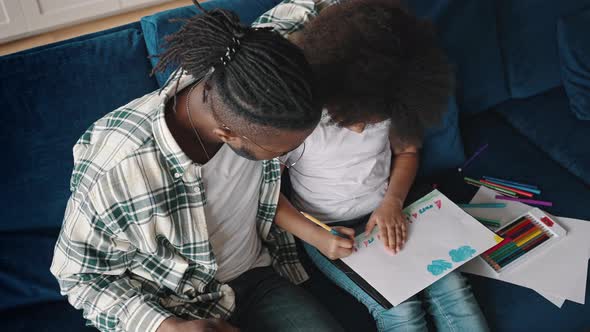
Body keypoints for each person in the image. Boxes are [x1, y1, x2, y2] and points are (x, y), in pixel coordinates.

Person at [50, 3, 344, 332]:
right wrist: (167, 326)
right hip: (176, 305)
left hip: (258, 277)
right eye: (283, 150)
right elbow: (79, 277)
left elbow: (311, 6)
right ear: (227, 134)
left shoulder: (247, 65)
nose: (284, 159)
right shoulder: (119, 169)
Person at [253, 1, 490, 331]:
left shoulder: (389, 96)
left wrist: (392, 203)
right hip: (329, 229)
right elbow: (267, 198)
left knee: (454, 291)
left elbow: (407, 152)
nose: (363, 130)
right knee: (400, 308)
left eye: (374, 121)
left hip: (393, 209)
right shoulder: (301, 126)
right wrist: (318, 238)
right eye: (354, 120)